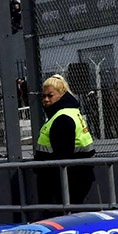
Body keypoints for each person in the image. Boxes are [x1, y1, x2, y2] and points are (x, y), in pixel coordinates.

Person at [35, 74, 95, 211]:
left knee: (62, 216)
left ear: (61, 95)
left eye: (50, 96)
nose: (46, 100)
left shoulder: (62, 118)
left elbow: (62, 156)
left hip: (65, 178)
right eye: (44, 96)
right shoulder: (71, 111)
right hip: (79, 174)